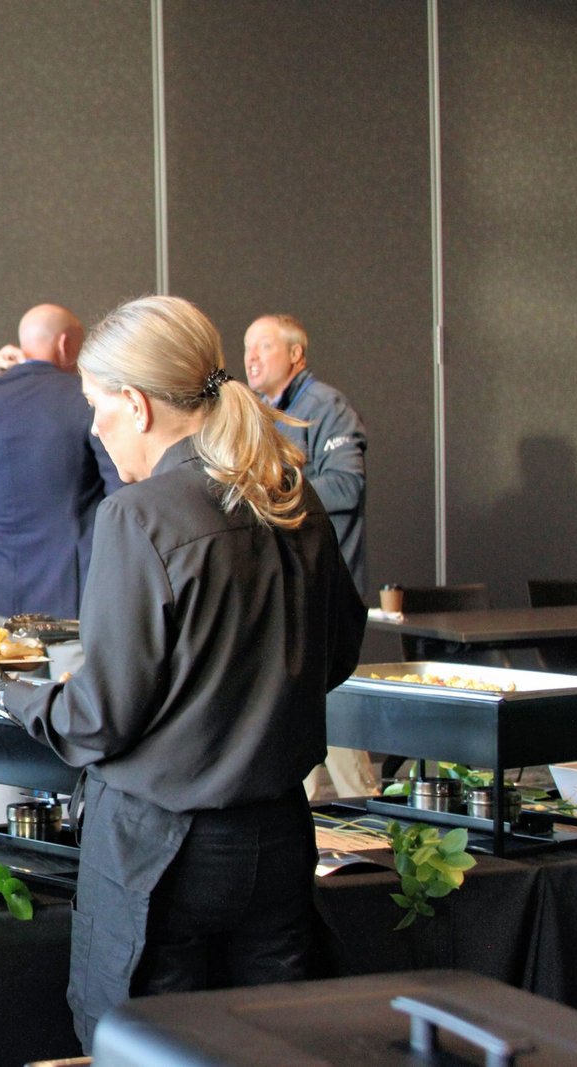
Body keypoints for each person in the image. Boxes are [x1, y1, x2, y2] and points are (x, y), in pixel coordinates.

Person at [0, 296, 366, 1051]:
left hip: (161, 854)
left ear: (136, 405)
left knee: (147, 1047)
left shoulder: (139, 516)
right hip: (278, 842)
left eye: (96, 407)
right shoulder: (291, 497)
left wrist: (1, 691)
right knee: (274, 1048)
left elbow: (96, 722)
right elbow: (337, 655)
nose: (95, 429)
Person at [245, 313, 376, 799]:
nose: (251, 357)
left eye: (264, 346)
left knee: (335, 719)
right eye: (247, 347)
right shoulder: (259, 413)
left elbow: (346, 486)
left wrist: (268, 492)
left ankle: (371, 826)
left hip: (324, 589)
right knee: (295, 731)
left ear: (296, 354)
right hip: (282, 589)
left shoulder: (326, 406)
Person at [0, 303, 120, 623]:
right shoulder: (88, 399)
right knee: (73, 658)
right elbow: (118, 489)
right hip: (72, 585)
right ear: (65, 343)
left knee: (1, 657)